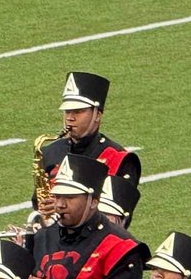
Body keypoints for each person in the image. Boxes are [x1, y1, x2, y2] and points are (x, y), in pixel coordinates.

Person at [25, 154, 147, 279]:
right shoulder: (43, 236)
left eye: (70, 198)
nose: (60, 204)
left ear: (93, 201)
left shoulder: (123, 247)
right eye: (57, 196)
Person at [36, 70, 141, 224]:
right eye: (67, 111)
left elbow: (117, 218)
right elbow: (37, 202)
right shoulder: (50, 152)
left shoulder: (119, 158)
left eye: (78, 111)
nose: (70, 118)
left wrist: (64, 208)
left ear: (97, 115)